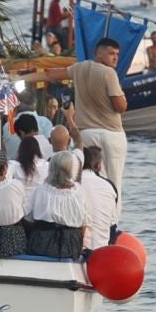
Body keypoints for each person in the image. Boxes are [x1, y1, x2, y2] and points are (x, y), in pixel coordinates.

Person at [22, 38, 128, 204]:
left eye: (117, 54)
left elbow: (49, 75)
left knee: (84, 181)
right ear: (99, 53)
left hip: (86, 134)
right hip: (111, 134)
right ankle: (112, 223)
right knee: (114, 184)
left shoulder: (79, 68)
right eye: (111, 53)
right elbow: (120, 107)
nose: (115, 58)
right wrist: (123, 96)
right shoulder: (109, 73)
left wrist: (21, 79)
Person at [25, 151, 88, 258]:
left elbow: (28, 218)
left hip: (42, 243)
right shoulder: (79, 192)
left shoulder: (40, 190)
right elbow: (84, 224)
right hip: (70, 245)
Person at [78, 141, 119, 249]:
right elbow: (112, 225)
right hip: (102, 250)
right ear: (98, 166)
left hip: (79, 250)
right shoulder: (109, 186)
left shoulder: (72, 185)